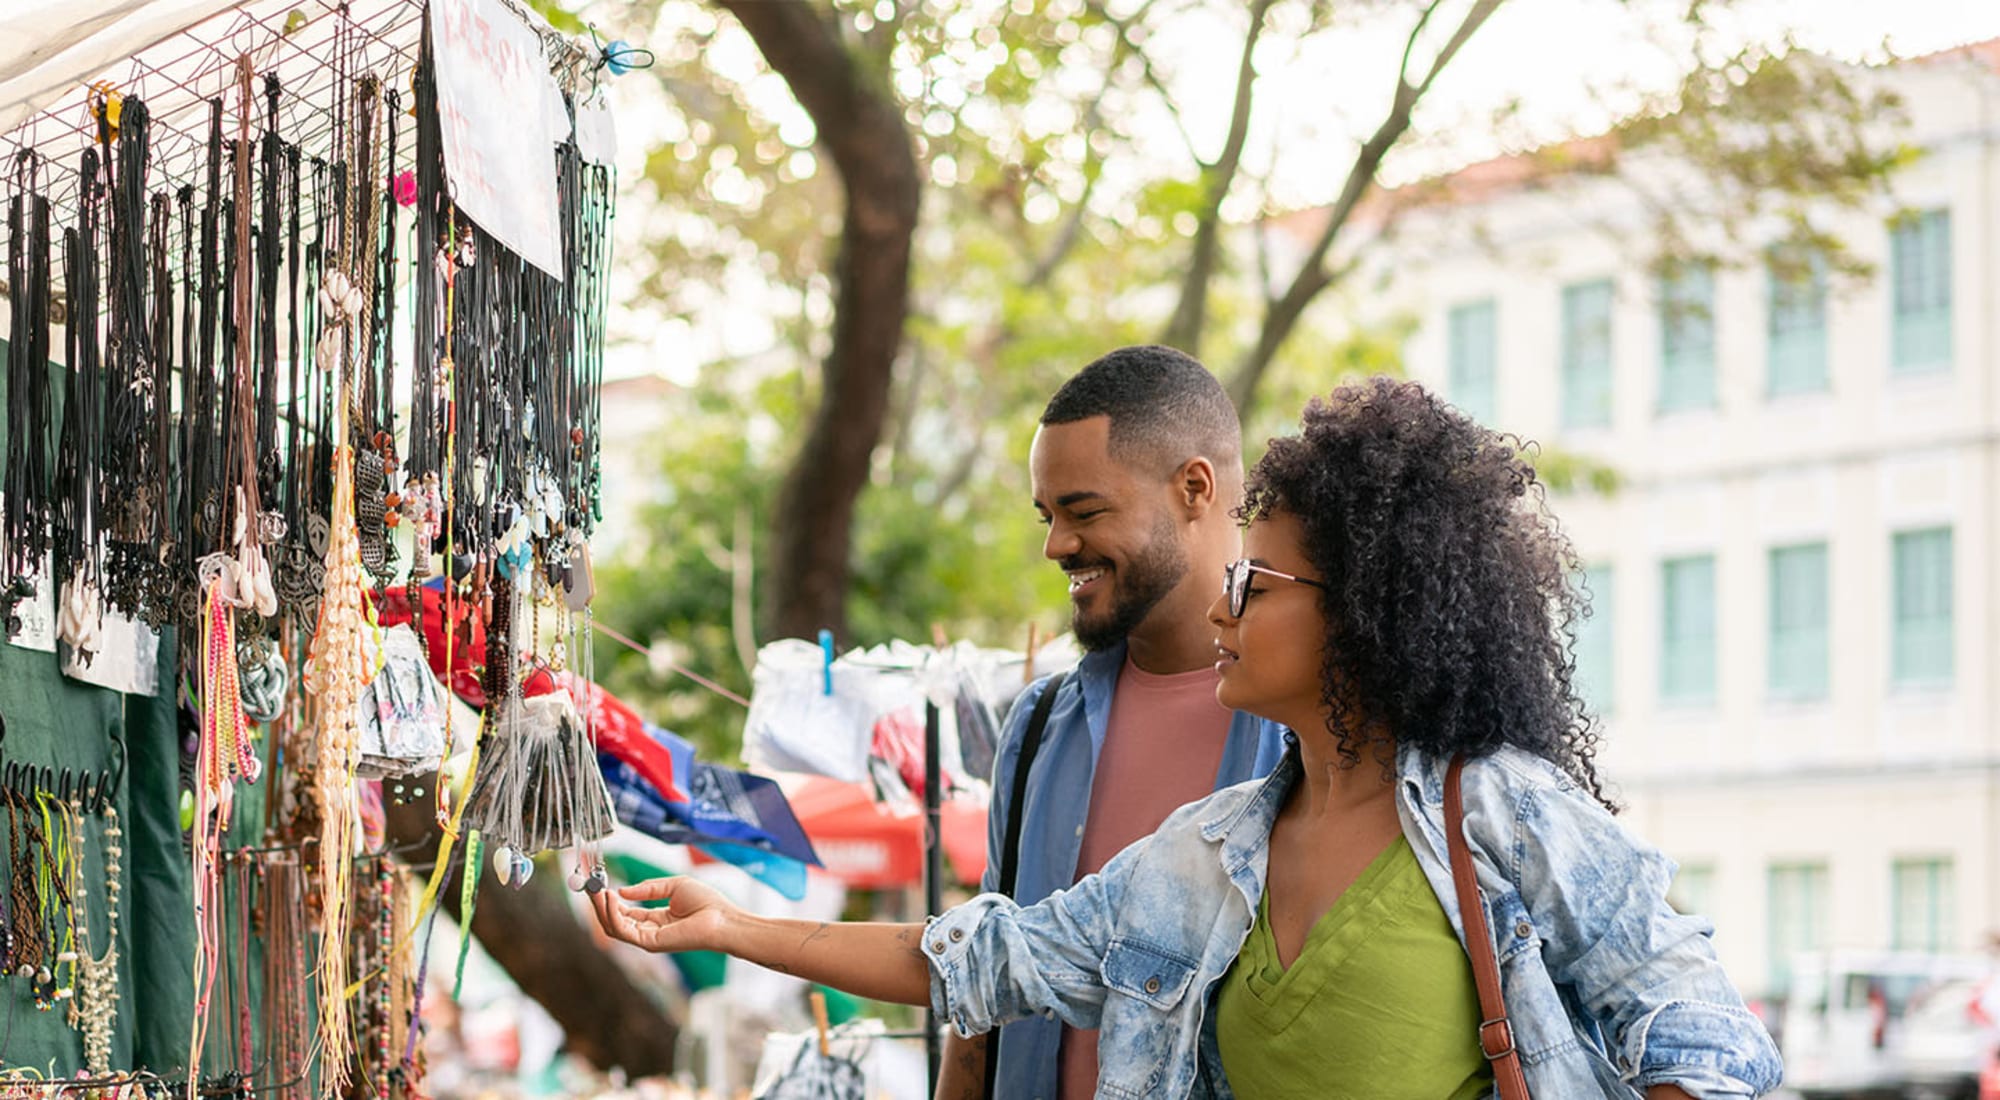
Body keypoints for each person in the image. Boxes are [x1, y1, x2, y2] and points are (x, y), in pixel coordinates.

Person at [593, 378, 1781, 1098]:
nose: (1223, 604)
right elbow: (984, 958)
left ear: (1361, 608)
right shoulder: (1208, 852)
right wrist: (735, 924)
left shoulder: (1500, 813)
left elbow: (1699, 1030)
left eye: (1256, 582)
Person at [953, 345, 1286, 1099]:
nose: (1055, 545)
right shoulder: (1040, 725)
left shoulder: (1307, 727)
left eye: (1084, 511)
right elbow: (987, 977)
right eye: (1047, 515)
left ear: (1193, 489)